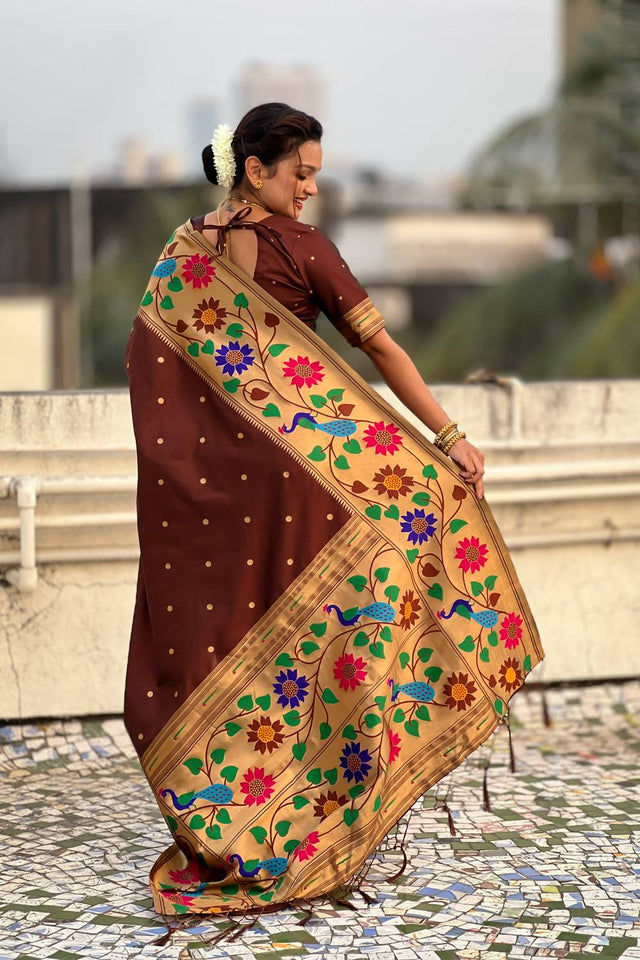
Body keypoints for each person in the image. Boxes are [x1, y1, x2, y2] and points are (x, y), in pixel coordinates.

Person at [124, 102, 543, 922]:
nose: (311, 189)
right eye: (301, 173)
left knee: (232, 644)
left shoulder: (182, 254)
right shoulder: (300, 247)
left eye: (315, 174)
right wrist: (448, 435)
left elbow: (153, 368)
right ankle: (320, 808)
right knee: (384, 581)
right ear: (256, 169)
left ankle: (245, 817)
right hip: (312, 495)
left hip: (223, 500)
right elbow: (381, 351)